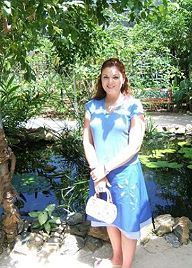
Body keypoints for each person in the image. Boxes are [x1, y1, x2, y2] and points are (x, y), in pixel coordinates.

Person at [83, 58, 152, 268]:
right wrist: (98, 171)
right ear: (100, 80)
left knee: (127, 223)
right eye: (105, 76)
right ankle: (116, 258)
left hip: (125, 174)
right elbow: (87, 141)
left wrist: (105, 169)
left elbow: (135, 146)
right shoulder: (91, 106)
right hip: (100, 174)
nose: (110, 81)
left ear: (123, 79)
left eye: (115, 77)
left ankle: (126, 265)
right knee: (110, 218)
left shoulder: (133, 106)